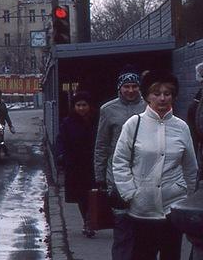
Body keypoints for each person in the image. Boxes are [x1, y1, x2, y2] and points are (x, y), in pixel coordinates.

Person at [112, 70, 197, 260]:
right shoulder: (134, 124)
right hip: (142, 209)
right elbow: (120, 162)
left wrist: (186, 196)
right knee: (142, 255)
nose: (162, 98)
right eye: (156, 93)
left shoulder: (181, 127)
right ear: (147, 96)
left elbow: (190, 167)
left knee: (171, 255)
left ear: (173, 97)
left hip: (173, 209)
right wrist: (131, 193)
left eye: (167, 93)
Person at [95, 68, 147, 260]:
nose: (131, 90)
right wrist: (99, 177)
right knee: (122, 226)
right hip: (116, 176)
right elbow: (101, 145)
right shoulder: (108, 110)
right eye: (127, 86)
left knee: (143, 228)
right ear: (120, 88)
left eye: (134, 86)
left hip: (144, 175)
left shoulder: (148, 107)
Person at [58, 91, 98, 238]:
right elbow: (61, 140)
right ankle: (87, 221)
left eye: (84, 105)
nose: (81, 108)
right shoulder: (68, 122)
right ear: (74, 106)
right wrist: (62, 156)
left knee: (93, 194)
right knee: (82, 196)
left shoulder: (96, 121)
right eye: (78, 105)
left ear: (89, 106)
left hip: (93, 164)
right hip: (75, 165)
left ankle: (92, 220)